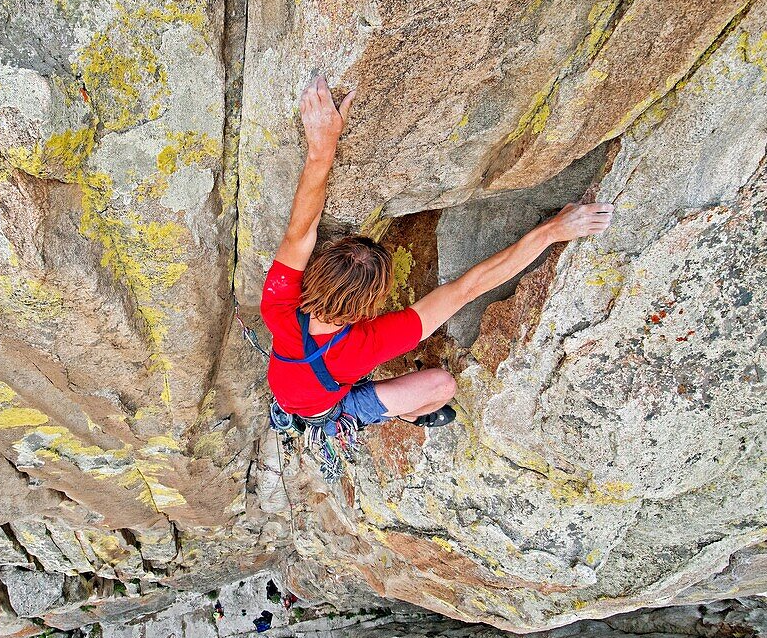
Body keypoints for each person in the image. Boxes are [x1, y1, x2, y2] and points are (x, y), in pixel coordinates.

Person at [261, 75, 613, 433]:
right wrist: (551, 231)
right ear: (372, 305)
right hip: (331, 406)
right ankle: (382, 415)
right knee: (442, 388)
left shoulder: (277, 305)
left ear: (316, 270)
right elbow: (467, 288)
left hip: (291, 388)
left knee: (435, 388)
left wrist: (322, 145)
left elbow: (301, 230)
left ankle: (342, 411)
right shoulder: (367, 346)